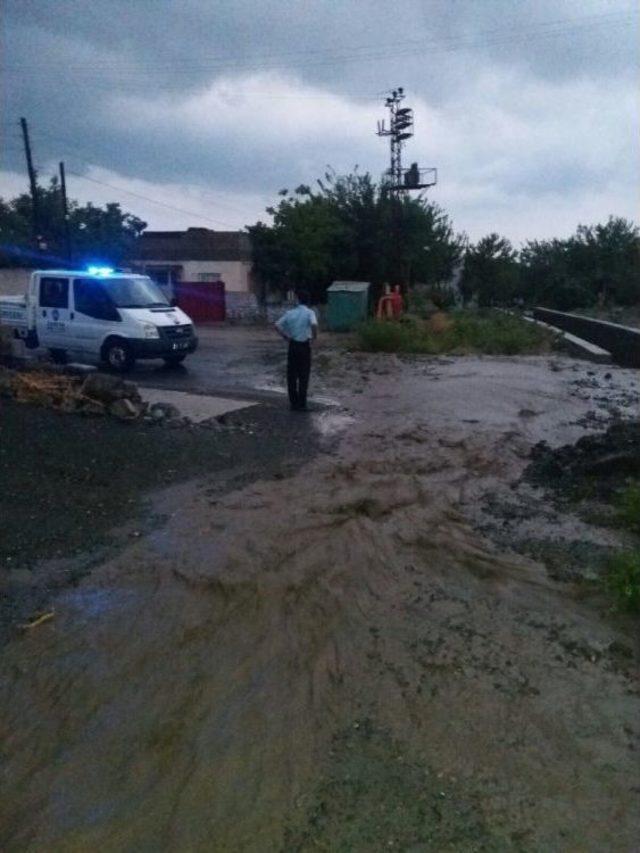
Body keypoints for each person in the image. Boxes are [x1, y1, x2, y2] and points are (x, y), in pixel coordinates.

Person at [275, 290, 318, 410]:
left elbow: (277, 325)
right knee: (304, 375)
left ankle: (293, 403)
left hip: (293, 345)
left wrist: (285, 336)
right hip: (304, 345)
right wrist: (314, 338)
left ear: (298, 300)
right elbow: (314, 325)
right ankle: (302, 404)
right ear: (308, 301)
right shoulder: (310, 312)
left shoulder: (290, 313)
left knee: (292, 374)